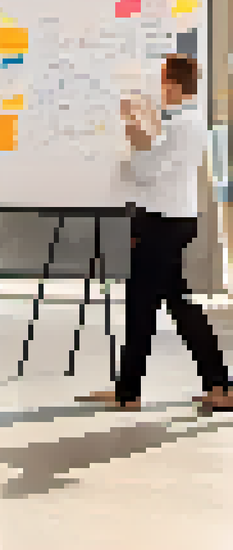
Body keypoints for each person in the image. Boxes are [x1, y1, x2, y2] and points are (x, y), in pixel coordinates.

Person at [78, 55, 233, 413]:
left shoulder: (183, 126)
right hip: (162, 220)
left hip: (166, 223)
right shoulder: (181, 124)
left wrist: (135, 131)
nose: (157, 90)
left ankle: (131, 392)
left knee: (146, 306)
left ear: (175, 86)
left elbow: (147, 171)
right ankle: (214, 384)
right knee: (171, 303)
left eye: (161, 82)